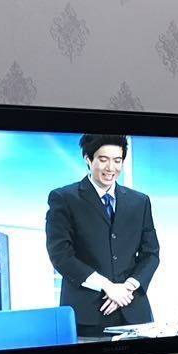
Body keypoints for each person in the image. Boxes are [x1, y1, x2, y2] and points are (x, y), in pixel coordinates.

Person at [46, 134, 160, 337]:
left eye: (117, 160)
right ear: (88, 160)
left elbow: (151, 253)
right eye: (103, 159)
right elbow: (61, 256)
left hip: (135, 313)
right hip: (87, 315)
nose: (111, 168)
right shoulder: (64, 198)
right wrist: (108, 287)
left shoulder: (140, 201)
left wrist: (127, 288)